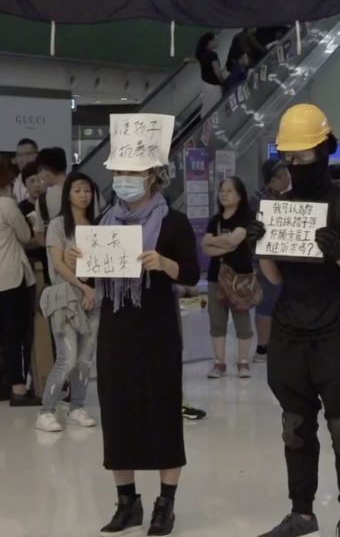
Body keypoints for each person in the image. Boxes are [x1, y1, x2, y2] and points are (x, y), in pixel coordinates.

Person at [247, 104, 340, 537]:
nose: (298, 165)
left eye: (306, 156)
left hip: (337, 331)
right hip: (290, 330)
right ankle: (301, 511)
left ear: (326, 151)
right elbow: (276, 277)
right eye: (291, 158)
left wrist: (338, 254)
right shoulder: (279, 207)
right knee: (295, 426)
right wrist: (262, 248)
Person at [85, 118, 200, 536]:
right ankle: (126, 501)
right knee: (117, 413)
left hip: (157, 333)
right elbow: (95, 278)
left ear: (153, 175)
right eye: (119, 172)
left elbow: (190, 273)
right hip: (115, 332)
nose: (124, 180)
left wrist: (165, 264)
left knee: (161, 412)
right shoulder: (105, 221)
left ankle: (164, 504)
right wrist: (79, 260)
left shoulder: (173, 223)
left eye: (133, 172)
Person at [34, 173, 100, 432]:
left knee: (85, 359)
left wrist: (90, 288)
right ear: (68, 195)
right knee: (68, 357)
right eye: (78, 190)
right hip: (65, 299)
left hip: (95, 297)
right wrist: (82, 285)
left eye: (87, 190)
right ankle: (46, 411)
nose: (84, 195)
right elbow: (58, 264)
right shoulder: (59, 225)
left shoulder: (97, 226)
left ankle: (77, 407)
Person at [202, 177, 255, 379]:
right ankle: (219, 363)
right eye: (222, 190)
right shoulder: (214, 220)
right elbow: (205, 248)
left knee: (242, 320)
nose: (224, 194)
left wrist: (215, 241)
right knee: (217, 321)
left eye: (229, 190)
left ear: (240, 195)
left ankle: (243, 362)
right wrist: (223, 244)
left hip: (240, 276)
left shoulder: (247, 217)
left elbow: (235, 240)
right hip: (216, 276)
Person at [0, 189, 41, 406]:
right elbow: (25, 236)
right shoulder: (6, 204)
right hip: (11, 278)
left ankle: (5, 386)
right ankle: (18, 389)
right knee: (16, 334)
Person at [251, 159, 290, 362]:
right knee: (266, 303)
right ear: (277, 177)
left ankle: (273, 344)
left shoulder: (276, 196)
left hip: (277, 259)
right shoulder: (263, 200)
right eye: (286, 175)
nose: (289, 179)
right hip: (265, 260)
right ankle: (262, 348)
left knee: (274, 302)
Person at [36, 147, 69, 227]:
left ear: (45, 169)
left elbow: (40, 233)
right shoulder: (89, 189)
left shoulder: (43, 200)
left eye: (39, 170)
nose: (39, 175)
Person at [196, 32, 225, 117]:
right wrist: (223, 82)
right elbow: (217, 72)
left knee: (206, 106)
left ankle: (204, 126)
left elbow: (197, 59)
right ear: (209, 42)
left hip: (205, 84)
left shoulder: (201, 52)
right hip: (214, 86)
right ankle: (212, 127)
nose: (217, 42)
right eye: (215, 40)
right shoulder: (212, 55)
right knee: (215, 108)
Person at [12, 138, 39, 202]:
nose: (21, 159)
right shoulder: (17, 181)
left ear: (37, 155)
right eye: (19, 155)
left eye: (27, 154)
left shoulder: (44, 180)